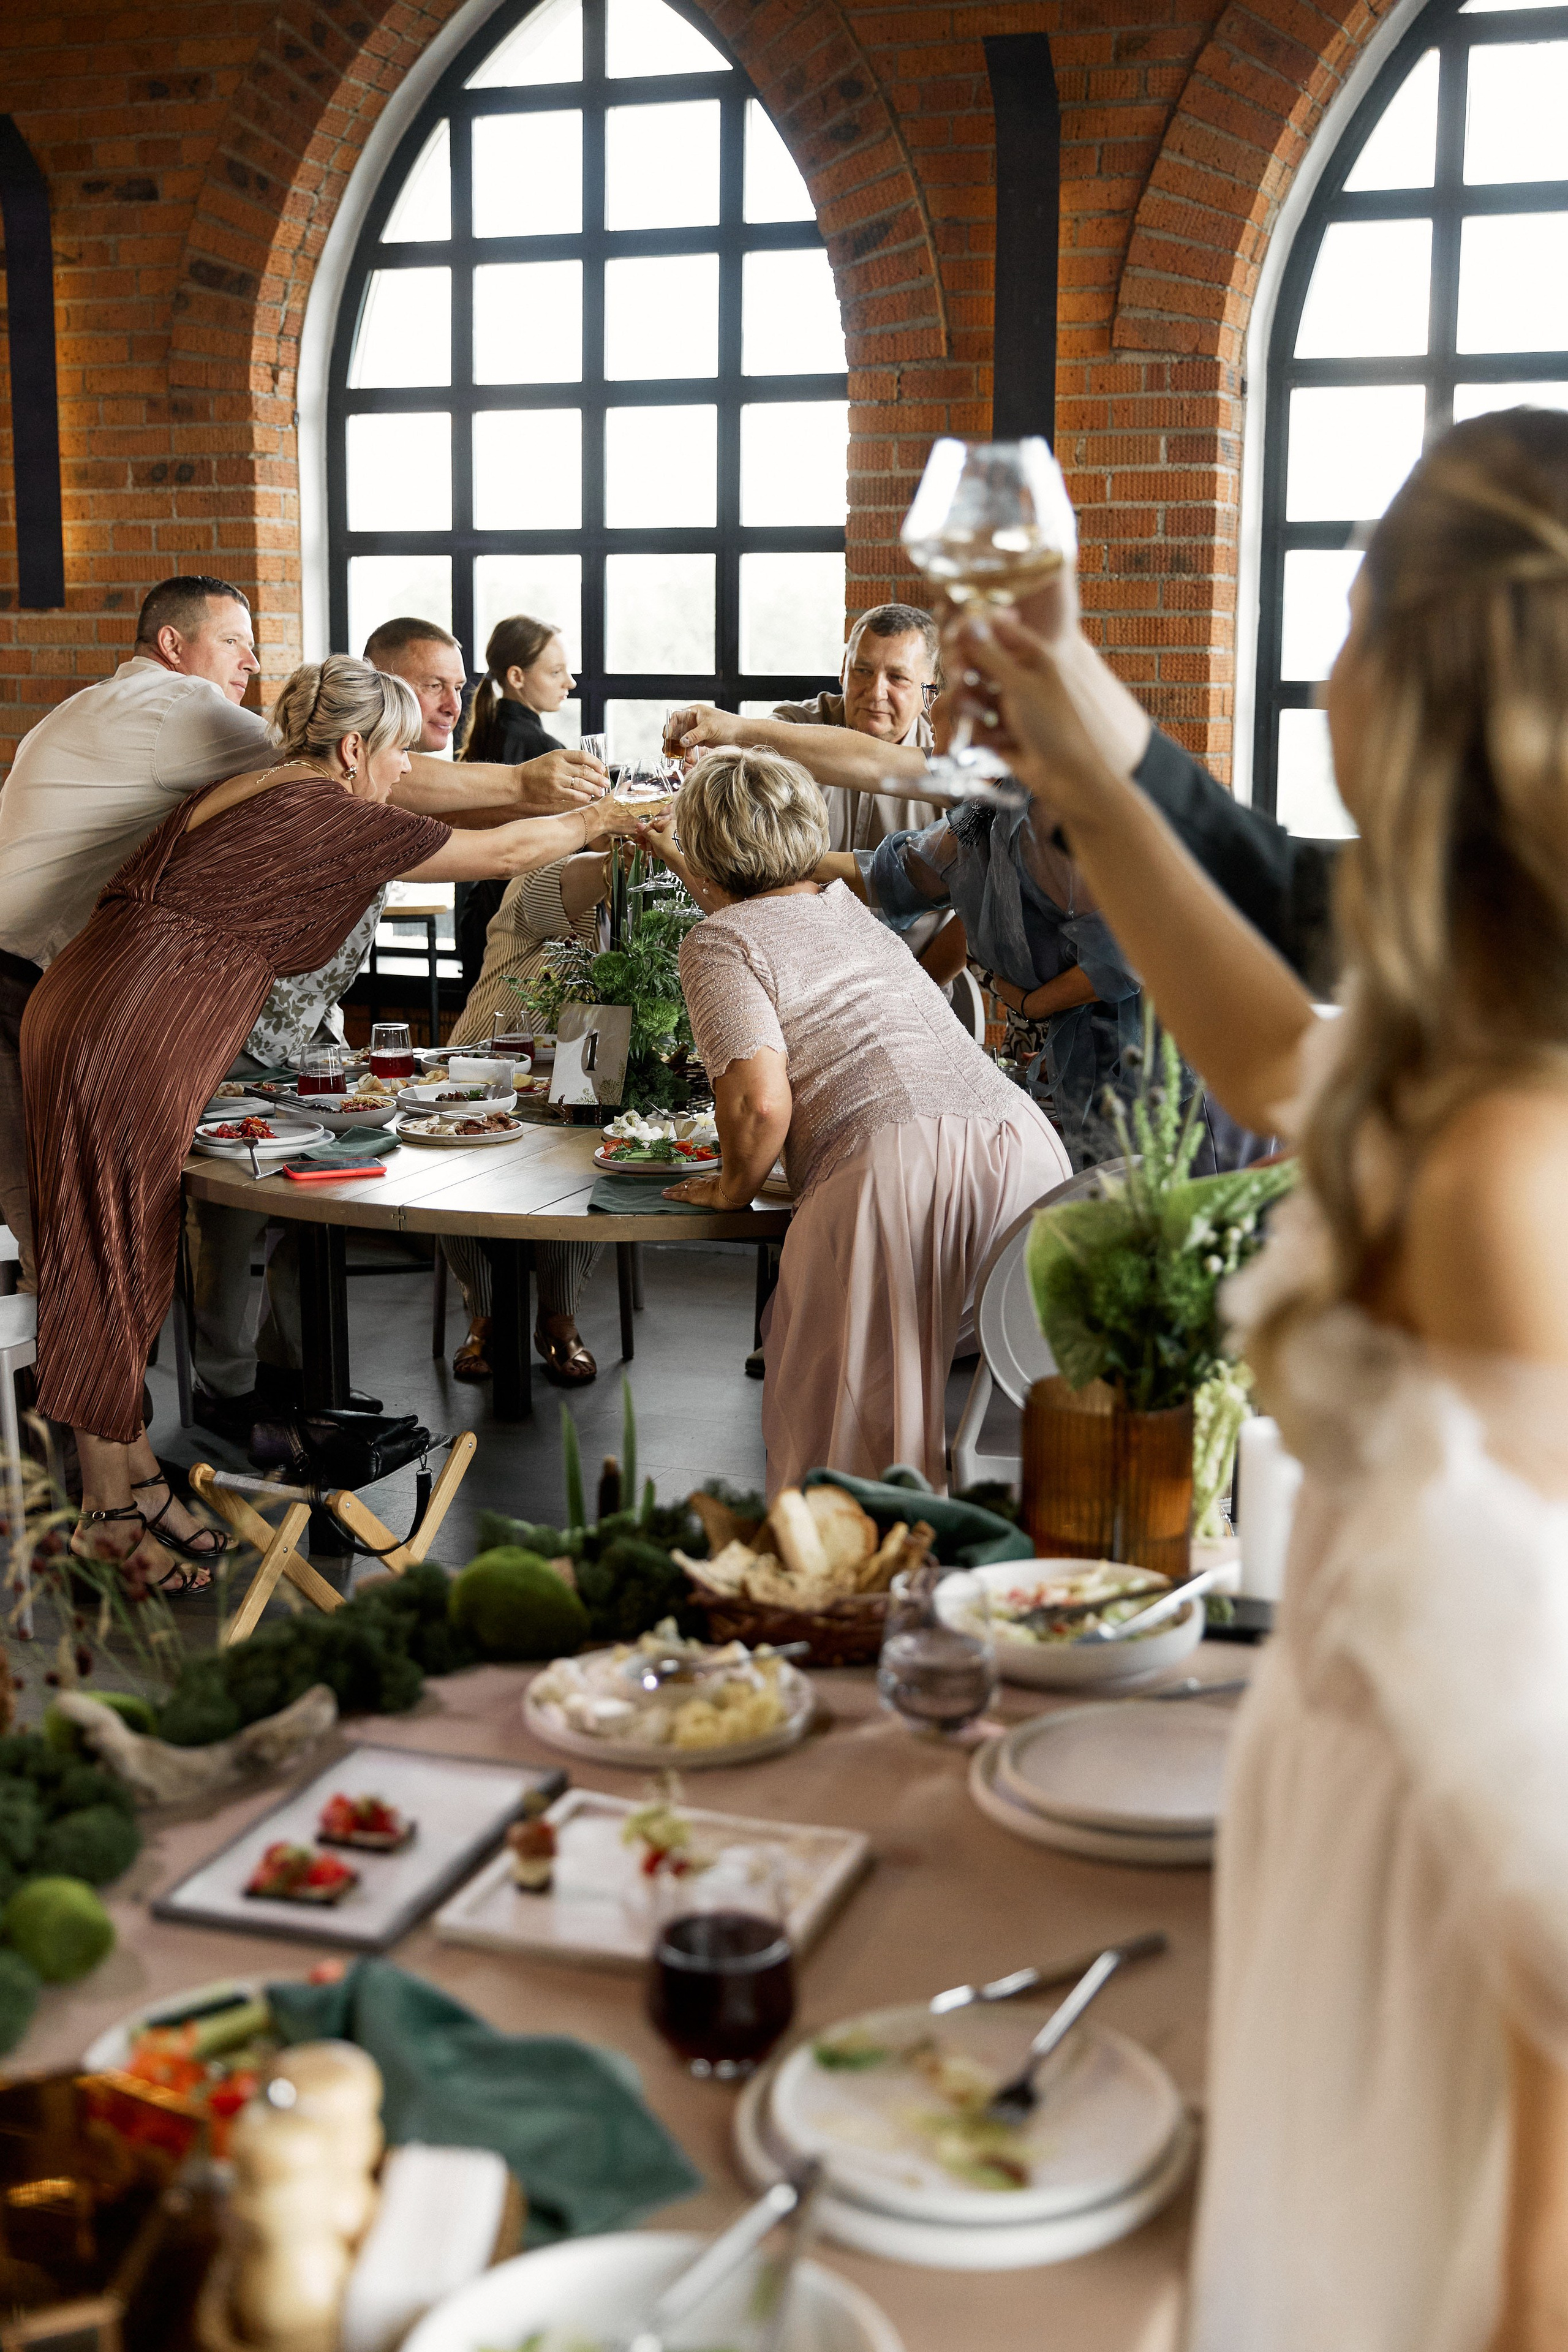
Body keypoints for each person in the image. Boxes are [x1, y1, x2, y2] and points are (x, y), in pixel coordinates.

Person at [955, 406, 1568, 2348]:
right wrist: (1063, 705)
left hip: (1446, 1948)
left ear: (1430, 682)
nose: (1322, 663)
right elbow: (1260, 1047)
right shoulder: (1458, 1057)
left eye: (1359, 601)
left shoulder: (1500, 1171)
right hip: (1352, 1843)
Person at [21, 656, 649, 1588]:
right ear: (354, 748)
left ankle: (128, 1485)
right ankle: (107, 1521)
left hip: (85, 995)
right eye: (398, 755)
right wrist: (610, 818)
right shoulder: (327, 812)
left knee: (103, 1249)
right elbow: (509, 854)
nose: (405, 774)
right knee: (117, 1253)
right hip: (139, 1018)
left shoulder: (252, 786)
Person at [0, 581, 608, 1292]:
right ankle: (101, 1400)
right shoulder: (192, 718)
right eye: (233, 640)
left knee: (97, 1235)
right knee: (68, 1242)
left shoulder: (103, 708)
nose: (252, 661)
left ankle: (248, 1386)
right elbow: (358, 786)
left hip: (84, 986)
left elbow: (389, 802)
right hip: (56, 991)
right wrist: (547, 795)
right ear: (172, 644)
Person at [637, 749, 1070, 1494]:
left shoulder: (718, 943)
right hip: (1022, 1150)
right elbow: (753, 910)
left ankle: (846, 1592)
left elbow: (760, 1102)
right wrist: (675, 853)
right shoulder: (842, 909)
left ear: (706, 855)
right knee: (999, 1415)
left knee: (845, 1432)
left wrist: (729, 1187)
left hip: (900, 1166)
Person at [663, 606, 968, 986]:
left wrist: (912, 991)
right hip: (793, 977)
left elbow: (962, 905)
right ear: (843, 668)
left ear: (929, 688)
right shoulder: (791, 729)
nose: (876, 692)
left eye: (898, 678)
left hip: (913, 982)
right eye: (862, 671)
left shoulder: (949, 760)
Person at [440, 850, 611, 1387]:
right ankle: (484, 1310)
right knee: (453, 1153)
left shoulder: (647, 913)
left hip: (588, 1047)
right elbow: (596, 872)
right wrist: (641, 838)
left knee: (589, 1143)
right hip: (488, 1057)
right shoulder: (539, 883)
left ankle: (558, 1314)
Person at [453, 613, 580, 986]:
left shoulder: (483, 737)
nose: (570, 682)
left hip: (478, 917)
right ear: (517, 677)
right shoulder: (545, 754)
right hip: (521, 923)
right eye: (556, 672)